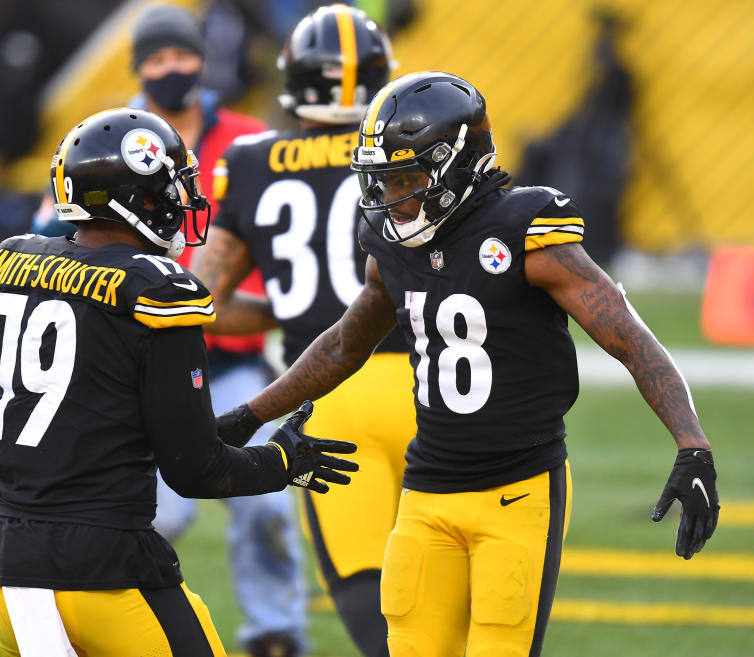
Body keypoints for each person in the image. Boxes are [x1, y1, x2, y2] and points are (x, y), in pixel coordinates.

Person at [217, 71, 720, 657]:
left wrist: (693, 445)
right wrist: (249, 415)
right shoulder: (389, 249)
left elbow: (631, 340)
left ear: (459, 163)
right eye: (381, 182)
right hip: (426, 493)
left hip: (519, 492)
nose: (389, 199)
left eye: (405, 178)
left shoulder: (526, 231)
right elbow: (343, 346)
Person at [0, 107, 357, 657]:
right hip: (108, 576)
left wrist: (242, 421)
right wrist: (283, 462)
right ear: (136, 200)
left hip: (10, 575)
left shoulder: (18, 263)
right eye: (169, 189)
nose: (180, 201)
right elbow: (195, 470)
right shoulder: (158, 290)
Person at [30, 6, 310, 655]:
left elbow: (281, 245)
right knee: (157, 506)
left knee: (266, 509)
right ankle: (116, 610)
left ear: (201, 59)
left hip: (231, 355)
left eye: (180, 55)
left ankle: (276, 631)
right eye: (155, 60)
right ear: (137, 70)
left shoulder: (245, 140)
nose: (170, 69)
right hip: (128, 356)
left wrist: (271, 302)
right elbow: (53, 229)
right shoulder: (99, 139)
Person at [194, 7, 410, 657]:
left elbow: (200, 301)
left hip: (326, 392)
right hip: (433, 380)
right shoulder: (409, 141)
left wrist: (290, 313)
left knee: (364, 587)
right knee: (455, 573)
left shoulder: (252, 159)